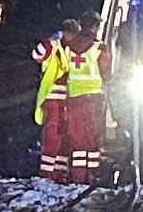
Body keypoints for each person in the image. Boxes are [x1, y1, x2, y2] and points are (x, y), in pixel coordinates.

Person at [35, 20, 107, 185]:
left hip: (69, 100)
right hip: (57, 99)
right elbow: (37, 55)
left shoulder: (67, 48)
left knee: (65, 141)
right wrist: (50, 41)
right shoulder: (56, 46)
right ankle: (47, 176)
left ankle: (60, 175)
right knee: (55, 139)